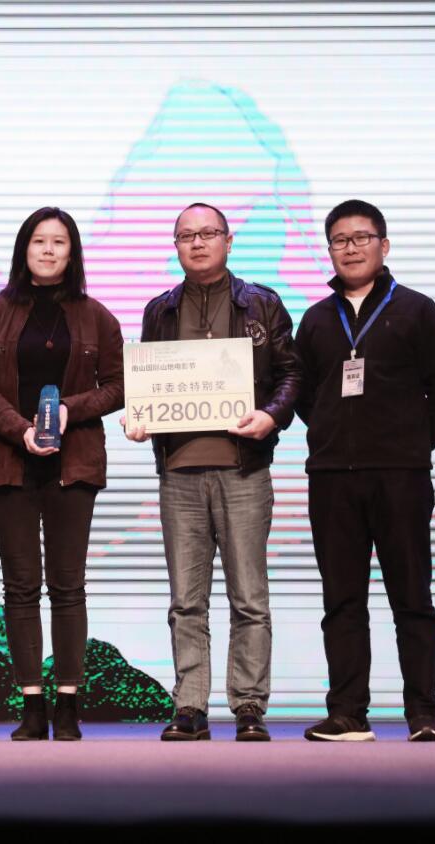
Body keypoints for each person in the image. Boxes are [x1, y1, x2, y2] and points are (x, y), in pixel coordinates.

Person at [124, 203, 301, 742]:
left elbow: (291, 374)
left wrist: (271, 416)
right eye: (186, 236)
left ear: (228, 240)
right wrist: (139, 416)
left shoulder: (262, 303)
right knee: (186, 600)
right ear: (176, 246)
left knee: (249, 598)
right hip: (179, 472)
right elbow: (147, 382)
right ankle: (190, 707)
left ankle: (248, 706)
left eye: (208, 233)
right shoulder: (160, 310)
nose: (197, 243)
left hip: (244, 470)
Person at [294, 199, 435, 742]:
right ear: (329, 250)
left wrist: (410, 444)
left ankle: (423, 713)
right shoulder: (316, 319)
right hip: (332, 478)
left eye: (361, 237)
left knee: (412, 597)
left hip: (400, 477)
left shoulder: (416, 310)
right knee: (342, 601)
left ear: (383, 245)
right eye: (340, 240)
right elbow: (305, 394)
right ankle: (347, 713)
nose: (351, 248)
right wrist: (331, 433)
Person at [0, 208, 124, 741]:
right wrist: (21, 429)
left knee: (68, 585)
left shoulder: (97, 316)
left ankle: (68, 704)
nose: (49, 250)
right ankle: (32, 704)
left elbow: (119, 385)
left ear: (73, 252)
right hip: (10, 462)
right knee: (20, 586)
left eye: (59, 242)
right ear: (23, 250)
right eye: (39, 241)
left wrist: (71, 410)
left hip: (73, 463)